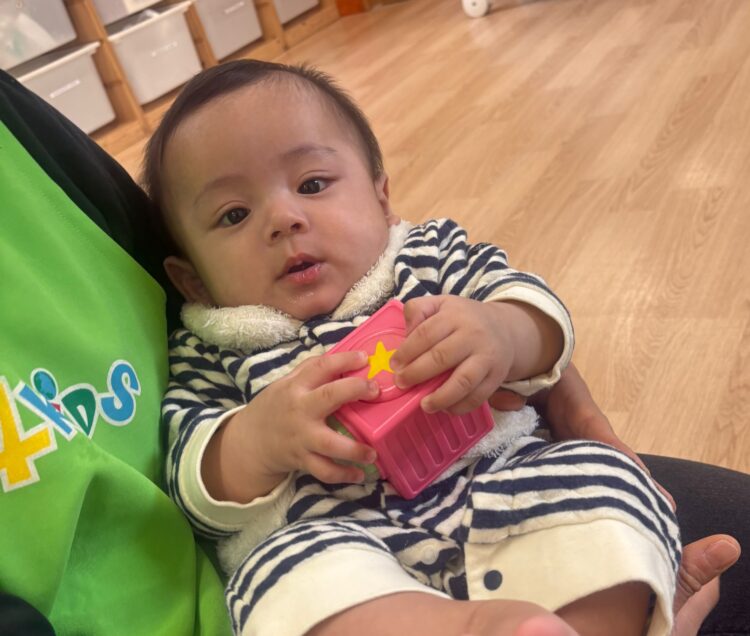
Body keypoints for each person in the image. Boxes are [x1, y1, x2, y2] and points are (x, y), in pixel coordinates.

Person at [0, 67, 744, 636]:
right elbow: (191, 471)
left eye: (313, 182)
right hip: (342, 541)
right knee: (280, 579)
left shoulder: (425, 260)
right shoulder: (210, 345)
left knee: (603, 480)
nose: (284, 218)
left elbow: (535, 308)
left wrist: (504, 333)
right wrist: (256, 439)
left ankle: (602, 617)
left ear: (383, 199)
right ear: (190, 278)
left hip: (502, 482)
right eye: (233, 214)